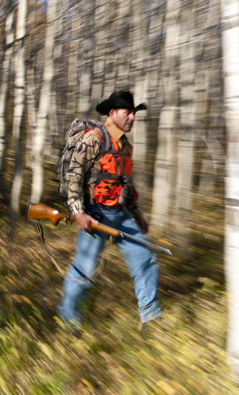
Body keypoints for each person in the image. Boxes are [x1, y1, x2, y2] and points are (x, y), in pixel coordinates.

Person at [58, 90, 161, 331]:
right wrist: (78, 211)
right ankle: (67, 317)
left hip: (122, 215)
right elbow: (74, 175)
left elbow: (126, 183)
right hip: (95, 213)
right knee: (84, 268)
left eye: (134, 114)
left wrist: (137, 215)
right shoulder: (94, 138)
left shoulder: (126, 146)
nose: (132, 118)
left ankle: (151, 318)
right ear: (113, 113)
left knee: (145, 259)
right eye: (128, 113)